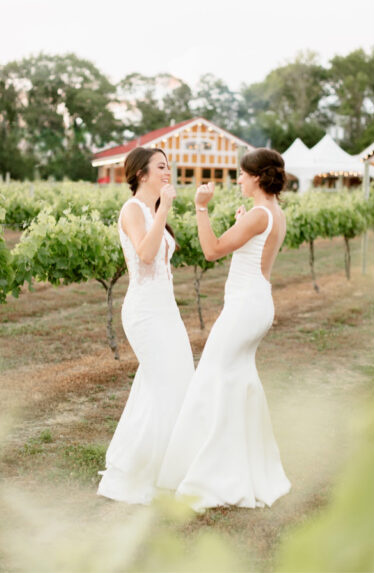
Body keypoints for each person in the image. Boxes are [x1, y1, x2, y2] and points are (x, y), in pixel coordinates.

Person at [156, 148, 291, 510]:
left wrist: (201, 208)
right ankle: (243, 467)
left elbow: (212, 250)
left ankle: (213, 475)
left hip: (245, 308)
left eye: (244, 175)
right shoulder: (274, 213)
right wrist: (241, 222)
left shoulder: (259, 215)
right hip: (258, 302)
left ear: (259, 177)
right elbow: (251, 248)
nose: (240, 180)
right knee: (236, 380)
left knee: (212, 378)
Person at [98, 148, 195, 504]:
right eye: (161, 167)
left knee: (178, 380)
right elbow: (145, 254)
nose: (168, 172)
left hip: (166, 310)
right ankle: (142, 470)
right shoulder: (132, 210)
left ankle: (171, 466)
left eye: (168, 166)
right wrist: (165, 208)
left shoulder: (153, 211)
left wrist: (163, 211)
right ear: (141, 174)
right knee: (165, 382)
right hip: (144, 314)